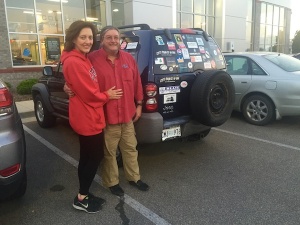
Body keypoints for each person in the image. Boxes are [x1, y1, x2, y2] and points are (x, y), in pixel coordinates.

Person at [65, 25, 149, 197]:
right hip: (106, 117)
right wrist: (67, 86)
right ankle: (112, 182)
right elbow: (77, 76)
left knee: (130, 149)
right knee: (109, 153)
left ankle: (134, 178)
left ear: (120, 40)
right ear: (101, 40)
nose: (113, 41)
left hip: (127, 115)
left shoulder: (128, 59)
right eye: (108, 37)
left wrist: (139, 104)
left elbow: (136, 84)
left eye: (116, 37)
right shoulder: (91, 59)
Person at [61, 21, 123, 213]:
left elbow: (81, 86)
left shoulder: (82, 58)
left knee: (88, 157)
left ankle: (84, 194)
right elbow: (90, 94)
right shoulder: (74, 61)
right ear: (73, 38)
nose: (88, 41)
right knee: (93, 157)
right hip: (87, 118)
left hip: (90, 116)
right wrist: (108, 95)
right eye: (83, 37)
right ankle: (81, 198)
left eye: (89, 37)